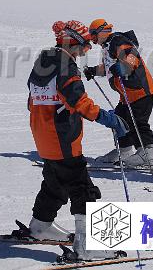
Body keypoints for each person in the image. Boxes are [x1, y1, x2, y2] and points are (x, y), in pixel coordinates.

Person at [24, 20, 127, 261]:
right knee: (83, 189)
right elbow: (78, 101)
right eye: (85, 45)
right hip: (62, 137)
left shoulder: (44, 61)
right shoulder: (66, 66)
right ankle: (87, 246)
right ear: (73, 42)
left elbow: (32, 100)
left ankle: (40, 225)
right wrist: (108, 118)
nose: (86, 50)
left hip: (43, 135)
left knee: (55, 183)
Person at [83, 19, 153, 166]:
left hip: (139, 91)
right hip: (126, 95)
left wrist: (124, 67)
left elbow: (132, 57)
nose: (92, 39)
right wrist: (93, 71)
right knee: (120, 120)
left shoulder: (117, 41)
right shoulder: (107, 46)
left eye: (93, 35)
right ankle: (124, 151)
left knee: (137, 122)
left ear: (102, 32)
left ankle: (146, 154)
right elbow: (110, 68)